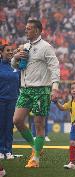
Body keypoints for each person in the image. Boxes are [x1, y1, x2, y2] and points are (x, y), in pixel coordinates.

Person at [11, 19, 60, 168]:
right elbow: (15, 66)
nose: (26, 30)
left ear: (37, 31)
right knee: (17, 120)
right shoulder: (25, 47)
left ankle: (35, 159)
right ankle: (36, 147)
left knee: (39, 124)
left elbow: (55, 66)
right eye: (26, 28)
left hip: (41, 90)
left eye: (29, 28)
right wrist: (16, 58)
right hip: (25, 90)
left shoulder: (46, 47)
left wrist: (55, 87)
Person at [0, 44, 19, 160]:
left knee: (9, 126)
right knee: (1, 126)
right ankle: (1, 150)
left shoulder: (15, 66)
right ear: (1, 53)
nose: (10, 52)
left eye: (11, 50)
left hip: (13, 100)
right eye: (7, 50)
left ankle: (8, 151)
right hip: (1, 100)